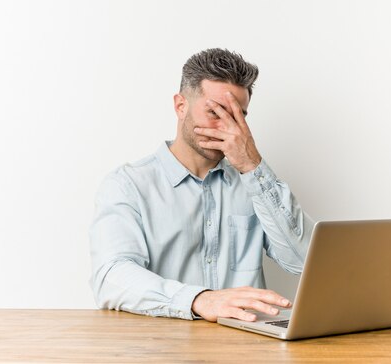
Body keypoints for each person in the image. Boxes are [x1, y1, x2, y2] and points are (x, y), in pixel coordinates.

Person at [89, 48, 314, 322]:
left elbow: (304, 262)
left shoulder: (255, 184)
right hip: (163, 349)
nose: (228, 127)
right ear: (180, 106)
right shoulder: (128, 185)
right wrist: (199, 299)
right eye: (215, 112)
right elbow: (111, 276)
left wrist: (252, 166)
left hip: (247, 348)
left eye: (239, 116)